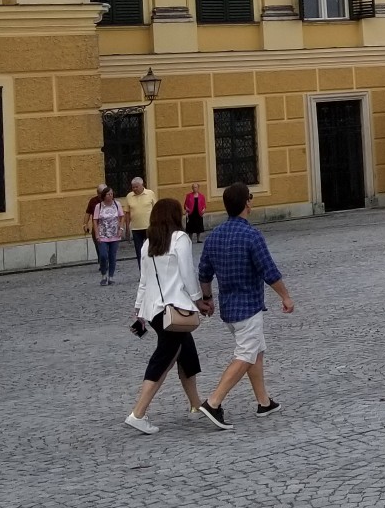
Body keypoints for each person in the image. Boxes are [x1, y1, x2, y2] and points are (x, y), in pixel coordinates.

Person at [194, 182, 293, 427]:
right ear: (246, 203)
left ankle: (263, 402)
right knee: (246, 355)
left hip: (229, 309)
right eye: (250, 197)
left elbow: (204, 273)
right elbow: (269, 271)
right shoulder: (252, 235)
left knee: (256, 351)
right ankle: (213, 402)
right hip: (249, 307)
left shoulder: (214, 236)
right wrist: (285, 296)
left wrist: (207, 299)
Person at [126, 198, 206, 434]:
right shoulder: (180, 239)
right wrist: (199, 300)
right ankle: (138, 413)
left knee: (187, 352)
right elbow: (187, 272)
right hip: (174, 309)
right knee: (164, 359)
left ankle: (196, 405)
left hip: (155, 311)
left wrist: (139, 309)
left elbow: (144, 280)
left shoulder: (148, 243)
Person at [86, 185, 127, 285]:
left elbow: (122, 216)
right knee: (103, 255)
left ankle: (111, 277)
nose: (110, 196)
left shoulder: (117, 204)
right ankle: (103, 274)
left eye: (111, 194)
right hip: (102, 235)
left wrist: (121, 229)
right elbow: (95, 221)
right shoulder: (98, 206)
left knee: (112, 256)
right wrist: (97, 234)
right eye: (108, 194)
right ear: (104, 195)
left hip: (114, 234)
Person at [125, 176, 156, 265]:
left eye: (136, 187)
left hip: (149, 227)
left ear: (142, 185)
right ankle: (142, 270)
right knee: (139, 252)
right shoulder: (129, 196)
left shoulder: (150, 193)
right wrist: (127, 228)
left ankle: (153, 269)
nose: (134, 189)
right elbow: (127, 213)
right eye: (133, 187)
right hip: (136, 228)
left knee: (151, 250)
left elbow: (156, 209)